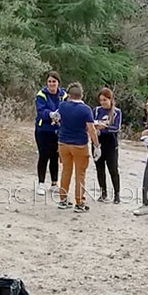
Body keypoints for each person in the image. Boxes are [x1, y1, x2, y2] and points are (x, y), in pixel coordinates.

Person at [55, 82, 100, 212]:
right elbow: (91, 129)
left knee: (66, 171)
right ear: (81, 95)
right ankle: (79, 202)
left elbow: (58, 119)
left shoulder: (62, 106)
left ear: (69, 95)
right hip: (79, 144)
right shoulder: (85, 109)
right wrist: (96, 145)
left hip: (63, 143)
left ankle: (63, 199)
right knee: (80, 174)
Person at [34, 71, 66, 195]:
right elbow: (40, 111)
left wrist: (60, 117)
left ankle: (54, 183)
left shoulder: (63, 95)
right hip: (43, 130)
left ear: (58, 83)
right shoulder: (41, 94)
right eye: (49, 81)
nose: (52, 84)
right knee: (43, 156)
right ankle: (41, 183)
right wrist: (50, 114)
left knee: (55, 156)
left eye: (54, 81)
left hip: (58, 130)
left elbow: (66, 108)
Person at [93, 87, 122, 204]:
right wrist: (97, 128)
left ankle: (117, 194)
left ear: (110, 99)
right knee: (100, 168)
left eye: (105, 100)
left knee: (113, 169)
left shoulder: (116, 112)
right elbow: (91, 124)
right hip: (98, 143)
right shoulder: (96, 110)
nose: (103, 103)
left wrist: (104, 127)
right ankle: (103, 192)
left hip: (111, 144)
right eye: (101, 100)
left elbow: (116, 128)